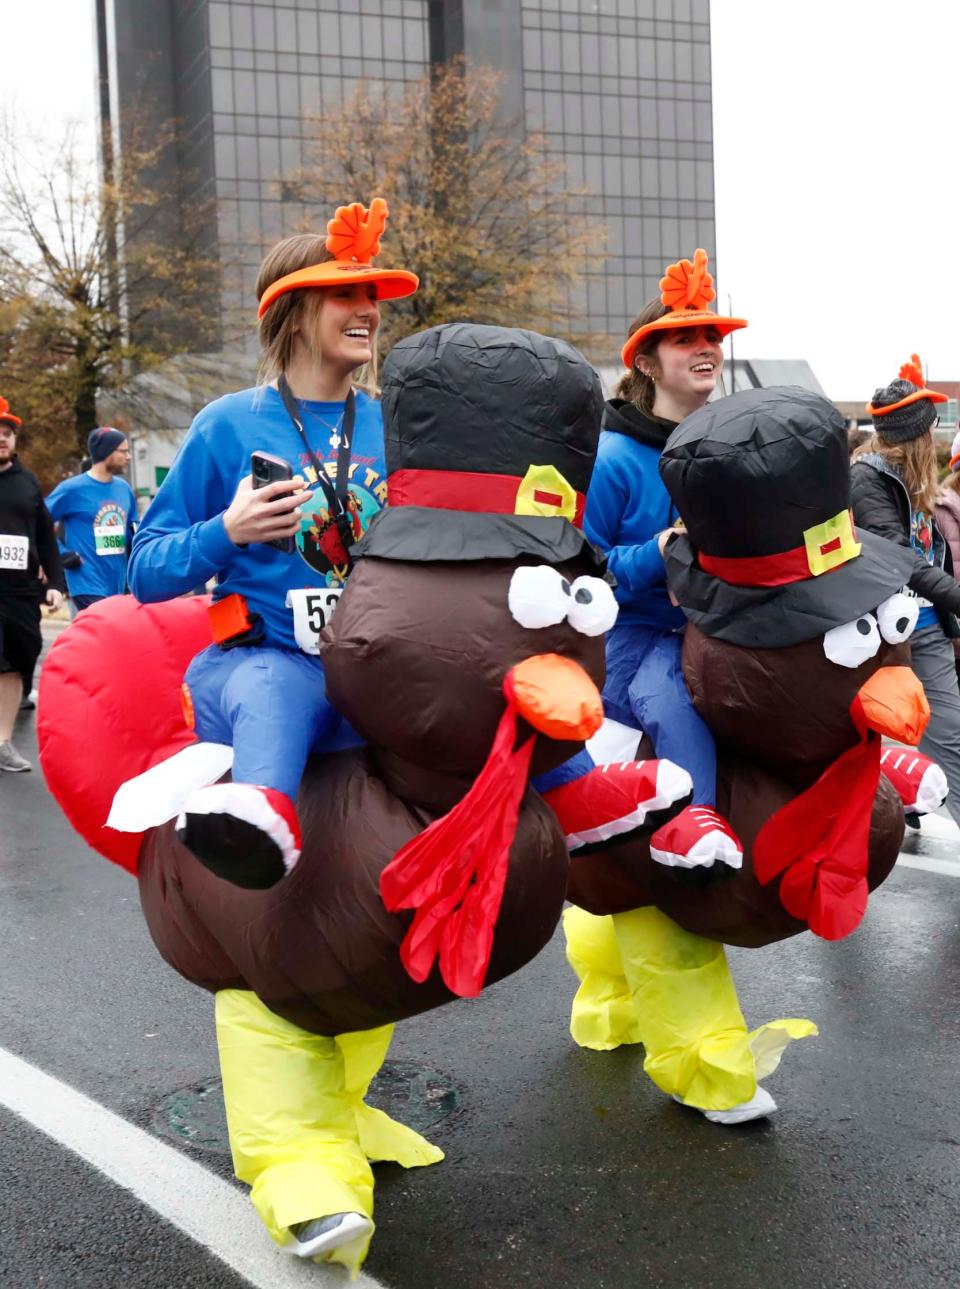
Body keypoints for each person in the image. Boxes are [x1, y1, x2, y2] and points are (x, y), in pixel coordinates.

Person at [128, 196, 418, 888]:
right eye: (343, 294)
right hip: (263, 662)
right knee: (271, 690)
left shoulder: (396, 425)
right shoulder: (226, 425)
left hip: (376, 669)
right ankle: (256, 823)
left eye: (370, 295)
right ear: (291, 313)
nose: (367, 310)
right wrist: (227, 531)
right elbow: (144, 573)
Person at [581, 248, 747, 865]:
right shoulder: (611, 459)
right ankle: (694, 831)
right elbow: (583, 569)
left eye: (710, 335)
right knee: (672, 699)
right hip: (634, 638)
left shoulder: (733, 446)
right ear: (646, 362)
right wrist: (659, 552)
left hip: (724, 626)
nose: (705, 347)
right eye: (684, 339)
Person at [851, 356, 960, 828]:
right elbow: (901, 559)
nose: (934, 438)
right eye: (930, 430)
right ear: (914, 436)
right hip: (880, 638)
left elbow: (934, 554)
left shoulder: (918, 483)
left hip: (929, 631)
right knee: (854, 744)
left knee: (952, 739)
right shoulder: (867, 478)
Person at [0, 398, 65, 771]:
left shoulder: (27, 483)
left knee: (15, 664)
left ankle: (4, 742)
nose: (2, 440)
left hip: (20, 592)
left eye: (7, 435)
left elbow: (45, 538)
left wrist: (55, 582)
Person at [45, 427, 136, 615]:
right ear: (107, 452)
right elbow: (37, 523)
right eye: (124, 451)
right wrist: (61, 553)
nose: (129, 457)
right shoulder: (72, 489)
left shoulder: (124, 489)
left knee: (111, 640)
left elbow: (134, 530)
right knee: (106, 628)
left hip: (118, 583)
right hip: (86, 580)